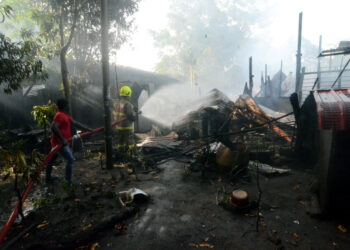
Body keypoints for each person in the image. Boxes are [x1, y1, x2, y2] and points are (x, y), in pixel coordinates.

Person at [46, 98, 91, 184]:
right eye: (67, 105)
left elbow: (75, 123)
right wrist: (62, 140)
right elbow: (53, 127)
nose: (69, 106)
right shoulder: (60, 115)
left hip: (58, 143)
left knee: (50, 160)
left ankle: (48, 179)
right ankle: (69, 181)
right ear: (65, 106)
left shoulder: (64, 115)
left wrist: (88, 129)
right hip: (59, 144)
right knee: (70, 160)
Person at [114, 86, 137, 160]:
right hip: (127, 127)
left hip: (119, 127)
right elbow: (130, 115)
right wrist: (135, 113)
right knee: (130, 142)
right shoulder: (128, 104)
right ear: (128, 94)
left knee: (121, 141)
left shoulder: (118, 103)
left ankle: (120, 153)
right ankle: (134, 155)